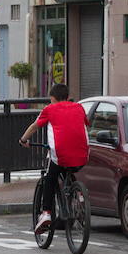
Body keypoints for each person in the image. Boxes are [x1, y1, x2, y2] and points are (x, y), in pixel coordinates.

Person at [18, 83, 90, 234]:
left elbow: (34, 127)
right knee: (70, 168)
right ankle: (77, 197)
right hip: (83, 155)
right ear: (67, 97)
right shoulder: (79, 108)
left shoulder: (49, 109)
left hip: (61, 154)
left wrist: (23, 140)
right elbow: (84, 126)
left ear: (53, 98)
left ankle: (46, 213)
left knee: (50, 177)